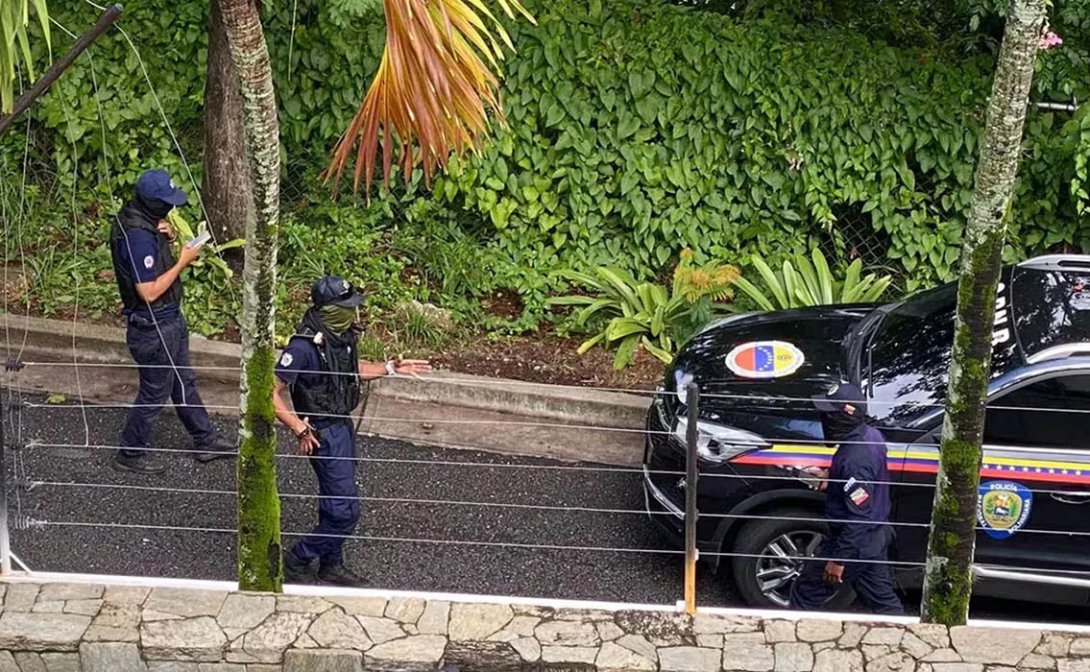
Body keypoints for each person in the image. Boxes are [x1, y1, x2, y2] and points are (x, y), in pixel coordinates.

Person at [273, 276, 431, 585]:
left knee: (334, 500)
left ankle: (331, 563)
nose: (353, 314)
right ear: (329, 310)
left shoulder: (341, 335)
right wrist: (298, 427)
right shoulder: (303, 347)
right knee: (345, 512)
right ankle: (298, 557)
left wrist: (388, 369)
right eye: (346, 308)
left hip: (342, 424)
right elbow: (270, 391)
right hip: (323, 431)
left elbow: (352, 369)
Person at [109, 169, 236, 474]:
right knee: (155, 391)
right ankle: (130, 452)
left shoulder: (142, 221)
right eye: (165, 203)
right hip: (153, 325)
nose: (170, 206)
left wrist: (163, 234)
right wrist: (183, 260)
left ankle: (205, 440)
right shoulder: (137, 237)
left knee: (182, 380)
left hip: (169, 319)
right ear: (152, 203)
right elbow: (148, 292)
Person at [788, 382, 904, 615]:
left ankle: (791, 642)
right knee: (883, 602)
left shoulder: (855, 458)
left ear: (844, 416)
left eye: (829, 414)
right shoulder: (870, 435)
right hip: (875, 535)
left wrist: (839, 560)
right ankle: (906, 640)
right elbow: (865, 484)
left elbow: (858, 515)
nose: (824, 419)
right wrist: (830, 477)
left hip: (856, 542)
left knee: (805, 592)